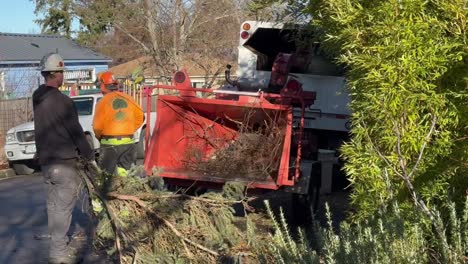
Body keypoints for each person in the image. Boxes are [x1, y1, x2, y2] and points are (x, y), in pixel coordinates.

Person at [33, 52, 97, 264]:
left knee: (53, 208)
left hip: (47, 164)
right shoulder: (65, 102)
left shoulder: (37, 97)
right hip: (65, 164)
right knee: (62, 210)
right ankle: (58, 254)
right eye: (62, 73)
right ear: (57, 75)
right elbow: (76, 133)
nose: (63, 77)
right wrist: (89, 157)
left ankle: (56, 246)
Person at [93, 71, 144, 176]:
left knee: (106, 178)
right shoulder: (129, 99)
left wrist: (100, 137)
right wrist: (128, 129)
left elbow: (97, 127)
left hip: (109, 145)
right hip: (128, 143)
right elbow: (141, 117)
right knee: (127, 175)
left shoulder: (102, 102)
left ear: (103, 86)